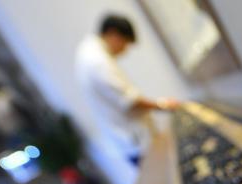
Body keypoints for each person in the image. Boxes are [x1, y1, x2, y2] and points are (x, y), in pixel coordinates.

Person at [75, 14, 179, 166]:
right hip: (135, 143)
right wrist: (163, 105)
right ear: (113, 34)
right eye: (125, 43)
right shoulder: (97, 61)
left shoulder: (90, 52)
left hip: (130, 140)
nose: (125, 50)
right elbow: (130, 101)